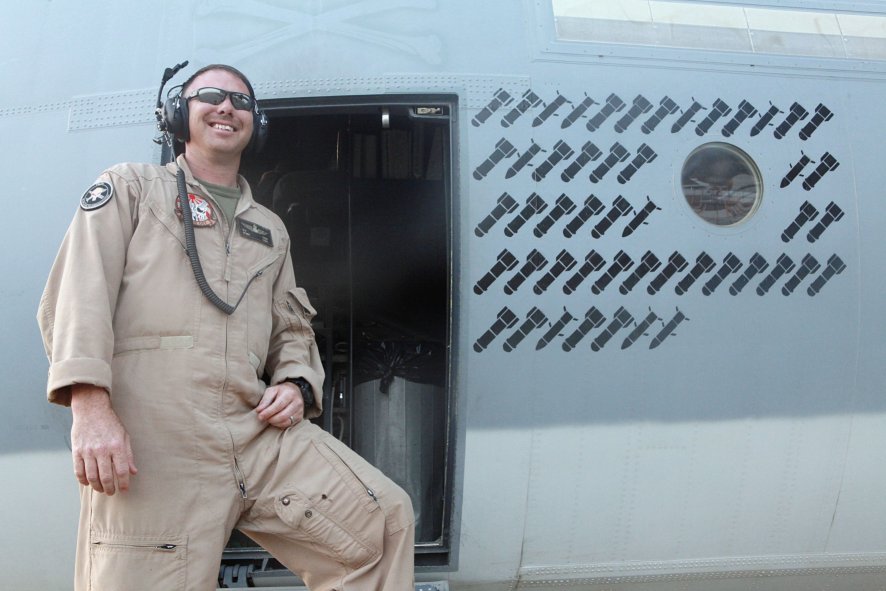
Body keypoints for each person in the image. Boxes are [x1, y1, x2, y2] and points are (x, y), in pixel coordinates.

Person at [37, 64, 415, 591]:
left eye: (241, 100)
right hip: (158, 434)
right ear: (176, 116)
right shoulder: (130, 188)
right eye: (209, 96)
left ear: (254, 123)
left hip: (251, 428)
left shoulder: (270, 229)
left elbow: (292, 327)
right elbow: (77, 295)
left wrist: (296, 382)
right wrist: (90, 408)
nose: (226, 106)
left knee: (381, 524)